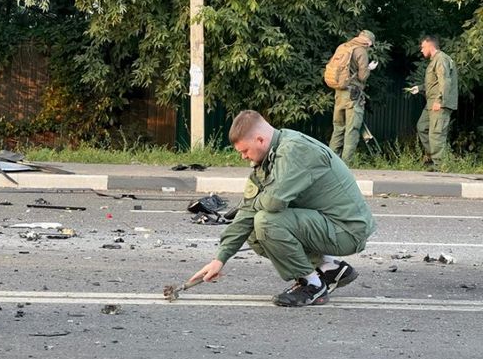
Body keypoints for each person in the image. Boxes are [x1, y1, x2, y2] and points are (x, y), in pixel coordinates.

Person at [189, 110, 376, 307]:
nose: (243, 157)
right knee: (253, 228)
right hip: (326, 223)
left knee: (266, 221)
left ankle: (312, 285)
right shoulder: (268, 157)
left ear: (260, 140)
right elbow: (247, 210)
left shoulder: (294, 151)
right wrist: (220, 258)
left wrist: (253, 205)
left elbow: (273, 202)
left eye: (245, 151)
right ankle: (329, 267)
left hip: (347, 230)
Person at [328, 30, 379, 164]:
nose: (369, 47)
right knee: (352, 129)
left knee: (338, 128)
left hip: (339, 92)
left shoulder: (343, 47)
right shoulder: (361, 51)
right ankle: (346, 164)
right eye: (370, 44)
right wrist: (369, 68)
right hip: (353, 95)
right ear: (368, 42)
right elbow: (362, 76)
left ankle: (332, 163)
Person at [407, 35, 458, 170]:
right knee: (422, 127)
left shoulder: (440, 59)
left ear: (430, 45)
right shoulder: (435, 60)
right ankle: (432, 159)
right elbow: (434, 82)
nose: (422, 50)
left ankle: (440, 167)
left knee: (436, 134)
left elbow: (445, 81)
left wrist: (440, 100)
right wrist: (419, 88)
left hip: (438, 103)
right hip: (430, 103)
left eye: (423, 47)